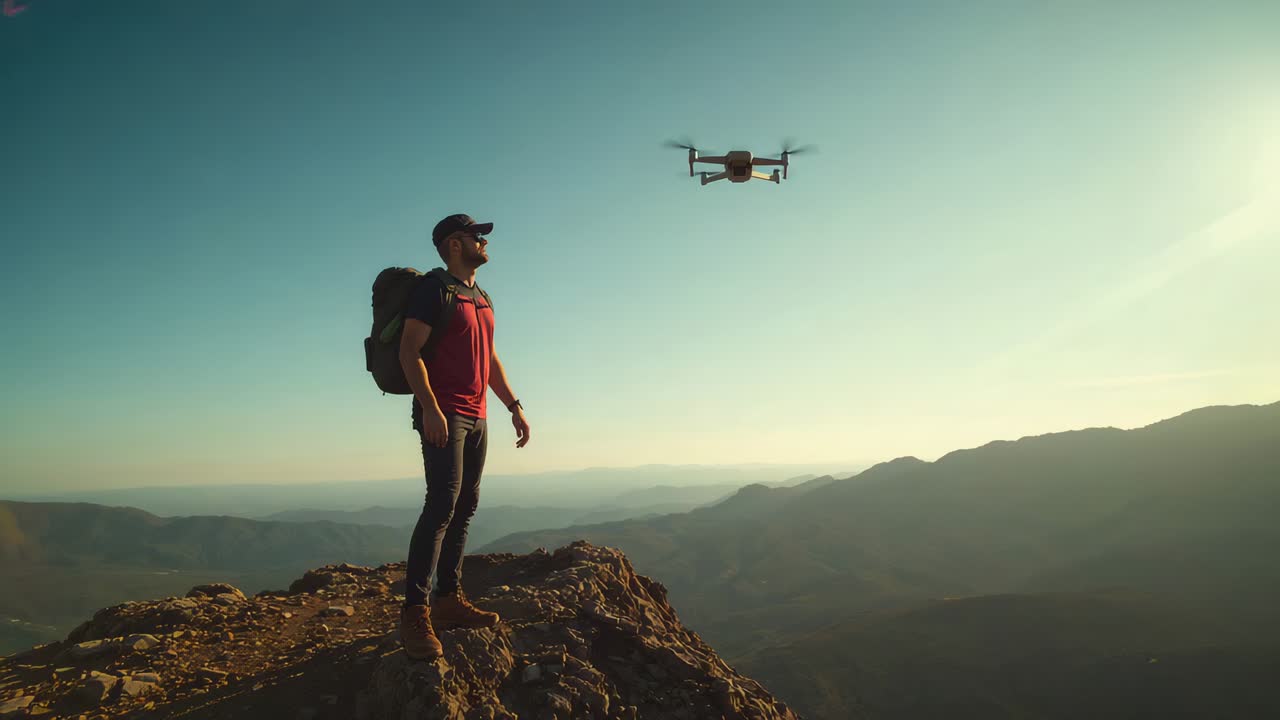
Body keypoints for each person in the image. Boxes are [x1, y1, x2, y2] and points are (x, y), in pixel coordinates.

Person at [396, 213, 531, 660]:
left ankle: (449, 599)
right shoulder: (434, 290)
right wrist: (431, 409)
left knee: (465, 505)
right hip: (446, 415)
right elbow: (409, 351)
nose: (484, 243)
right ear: (455, 244)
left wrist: (514, 406)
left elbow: (490, 360)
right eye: (478, 237)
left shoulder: (482, 296)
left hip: (479, 417)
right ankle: (416, 613)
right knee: (441, 505)